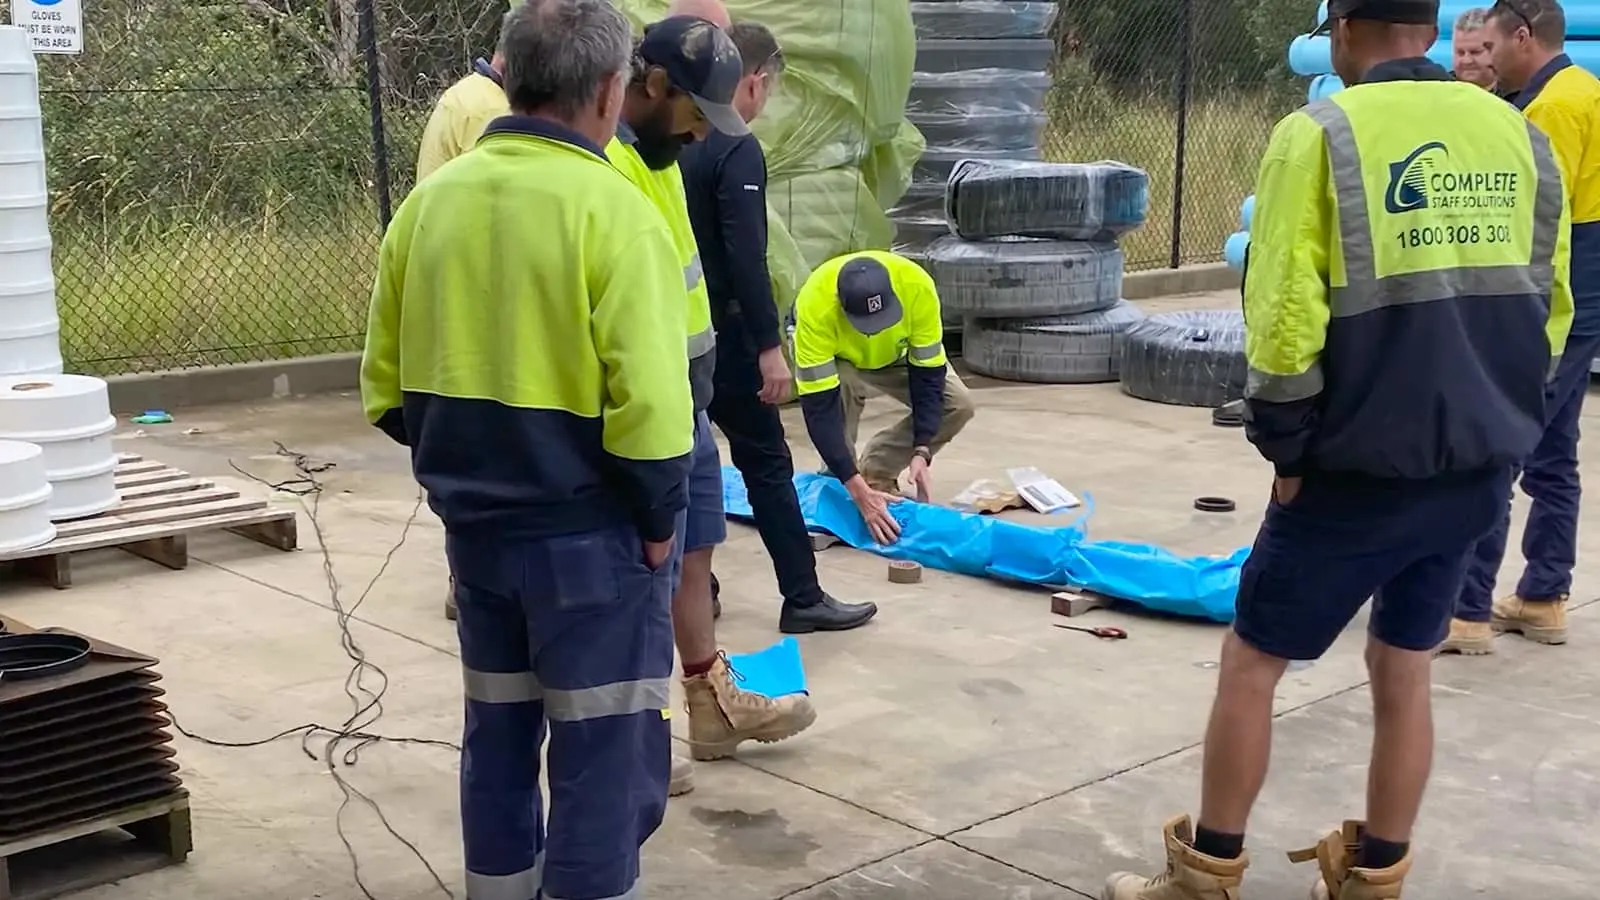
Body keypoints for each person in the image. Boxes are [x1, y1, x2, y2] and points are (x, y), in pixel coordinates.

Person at [1100, 1, 1573, 898]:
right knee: (1404, 667)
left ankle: (1208, 872)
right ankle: (1375, 876)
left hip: (1354, 470)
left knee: (1251, 665)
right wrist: (1504, 425)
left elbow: (1282, 320)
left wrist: (1287, 453)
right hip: (1477, 466)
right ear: (1430, 31)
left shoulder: (1318, 135)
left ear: (1346, 30)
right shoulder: (1519, 135)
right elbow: (1548, 309)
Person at [360, 0, 696, 896]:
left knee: (498, 739)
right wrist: (660, 520)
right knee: (603, 759)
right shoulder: (617, 215)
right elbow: (656, 414)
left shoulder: (427, 208)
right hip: (592, 541)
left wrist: (472, 474)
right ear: (608, 89)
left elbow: (385, 391)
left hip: (477, 537)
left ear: (507, 71)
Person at [606, 11, 818, 795]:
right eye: (697, 112)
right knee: (646, 574)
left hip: (687, 401)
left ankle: (710, 707)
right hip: (647, 409)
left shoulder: (663, 157)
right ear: (652, 85)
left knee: (693, 557)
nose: (702, 135)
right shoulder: (611, 165)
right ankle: (639, 739)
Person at [679, 22, 879, 635]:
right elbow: (747, 259)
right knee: (765, 462)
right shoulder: (734, 146)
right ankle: (802, 595)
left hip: (674, 331)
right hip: (728, 339)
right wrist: (770, 347)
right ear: (755, 82)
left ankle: (693, 588)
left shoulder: (667, 139)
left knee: (679, 461)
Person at [1442, 0, 1600, 655]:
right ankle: (1541, 597)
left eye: (1495, 44)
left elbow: (1539, 217)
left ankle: (1467, 611)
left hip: (1564, 287)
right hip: (1585, 283)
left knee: (1497, 448)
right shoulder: (1583, 88)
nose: (1488, 57)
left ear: (1524, 37)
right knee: (1555, 452)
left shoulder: (1550, 110)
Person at [792, 251, 976, 545]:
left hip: (897, 355)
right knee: (842, 392)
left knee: (958, 403)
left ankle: (877, 471)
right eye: (867, 322)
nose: (875, 328)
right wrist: (854, 488)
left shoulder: (917, 288)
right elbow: (820, 411)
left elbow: (929, 378)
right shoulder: (815, 308)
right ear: (842, 307)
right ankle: (839, 494)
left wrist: (921, 450)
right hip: (842, 359)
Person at [1449, 8, 1497, 88]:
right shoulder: (1441, 89)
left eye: (1475, 52)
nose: (1466, 61)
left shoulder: (1519, 94)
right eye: (1460, 53)